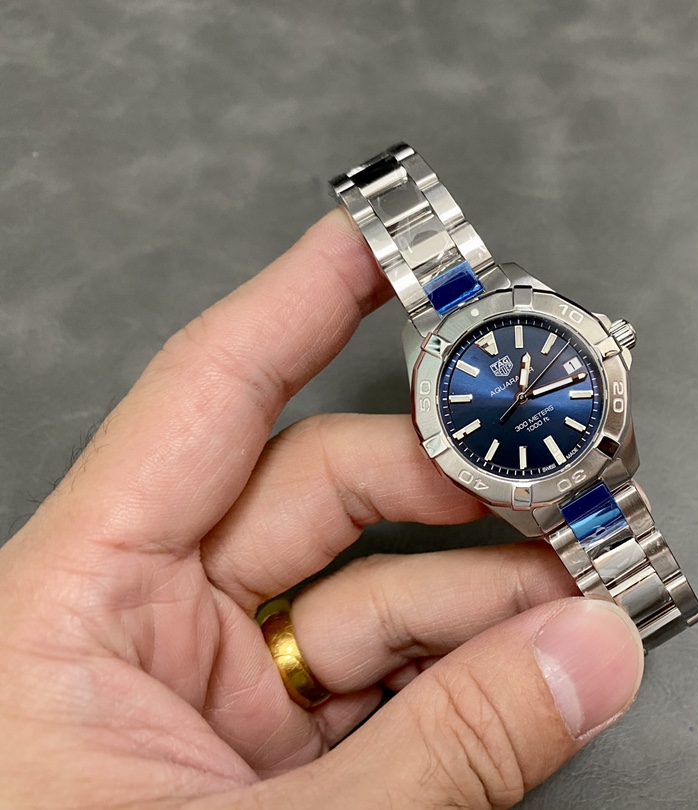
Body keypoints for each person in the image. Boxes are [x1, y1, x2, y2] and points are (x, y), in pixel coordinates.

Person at [0, 208, 645, 809]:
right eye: (513, 389)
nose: (521, 395)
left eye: (533, 386)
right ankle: (643, 604)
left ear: (606, 345)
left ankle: (645, 598)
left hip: (565, 464)